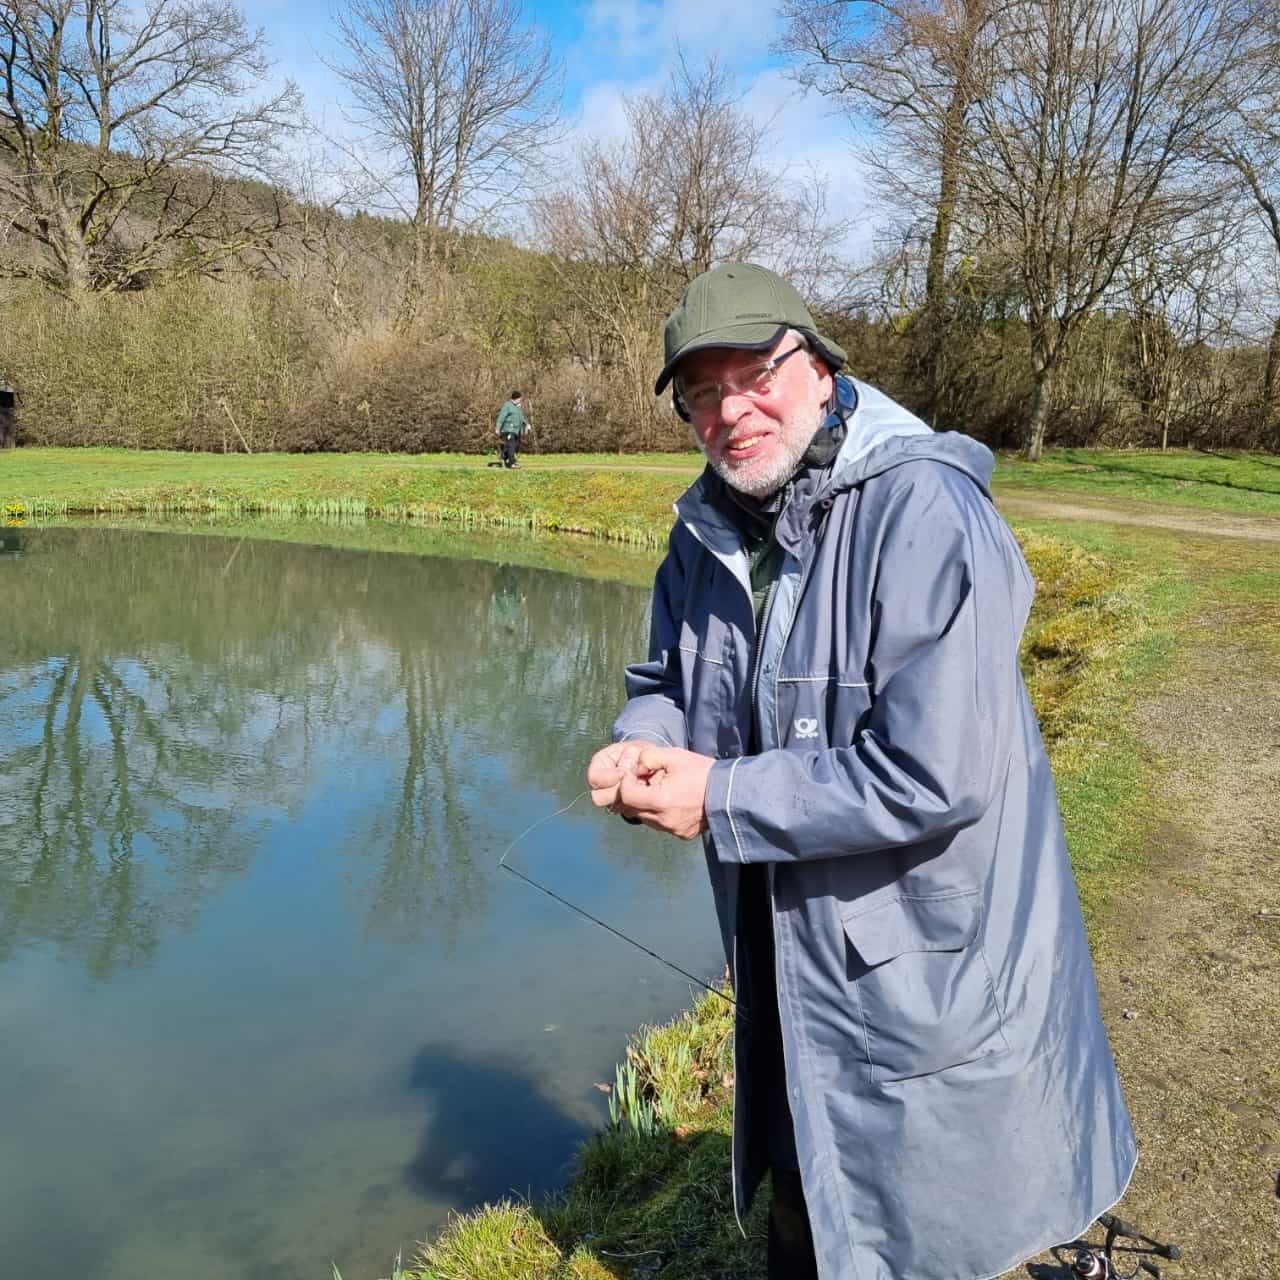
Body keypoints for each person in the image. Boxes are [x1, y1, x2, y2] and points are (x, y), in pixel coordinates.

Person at [586, 263, 1136, 1280]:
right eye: (700, 394)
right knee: (812, 1194)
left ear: (821, 367)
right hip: (789, 951)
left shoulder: (925, 509)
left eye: (754, 375)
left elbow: (934, 771)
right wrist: (645, 737)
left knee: (933, 1210)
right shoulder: (703, 528)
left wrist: (719, 794)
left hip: (927, 961)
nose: (729, 413)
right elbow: (666, 676)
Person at [495, 390, 531, 468]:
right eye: (520, 399)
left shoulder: (518, 407)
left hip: (516, 431)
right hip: (508, 430)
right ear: (516, 398)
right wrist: (497, 428)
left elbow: (522, 417)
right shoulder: (507, 405)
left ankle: (504, 456)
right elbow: (501, 417)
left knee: (515, 446)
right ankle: (512, 463)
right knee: (511, 446)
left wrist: (527, 424)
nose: (520, 400)